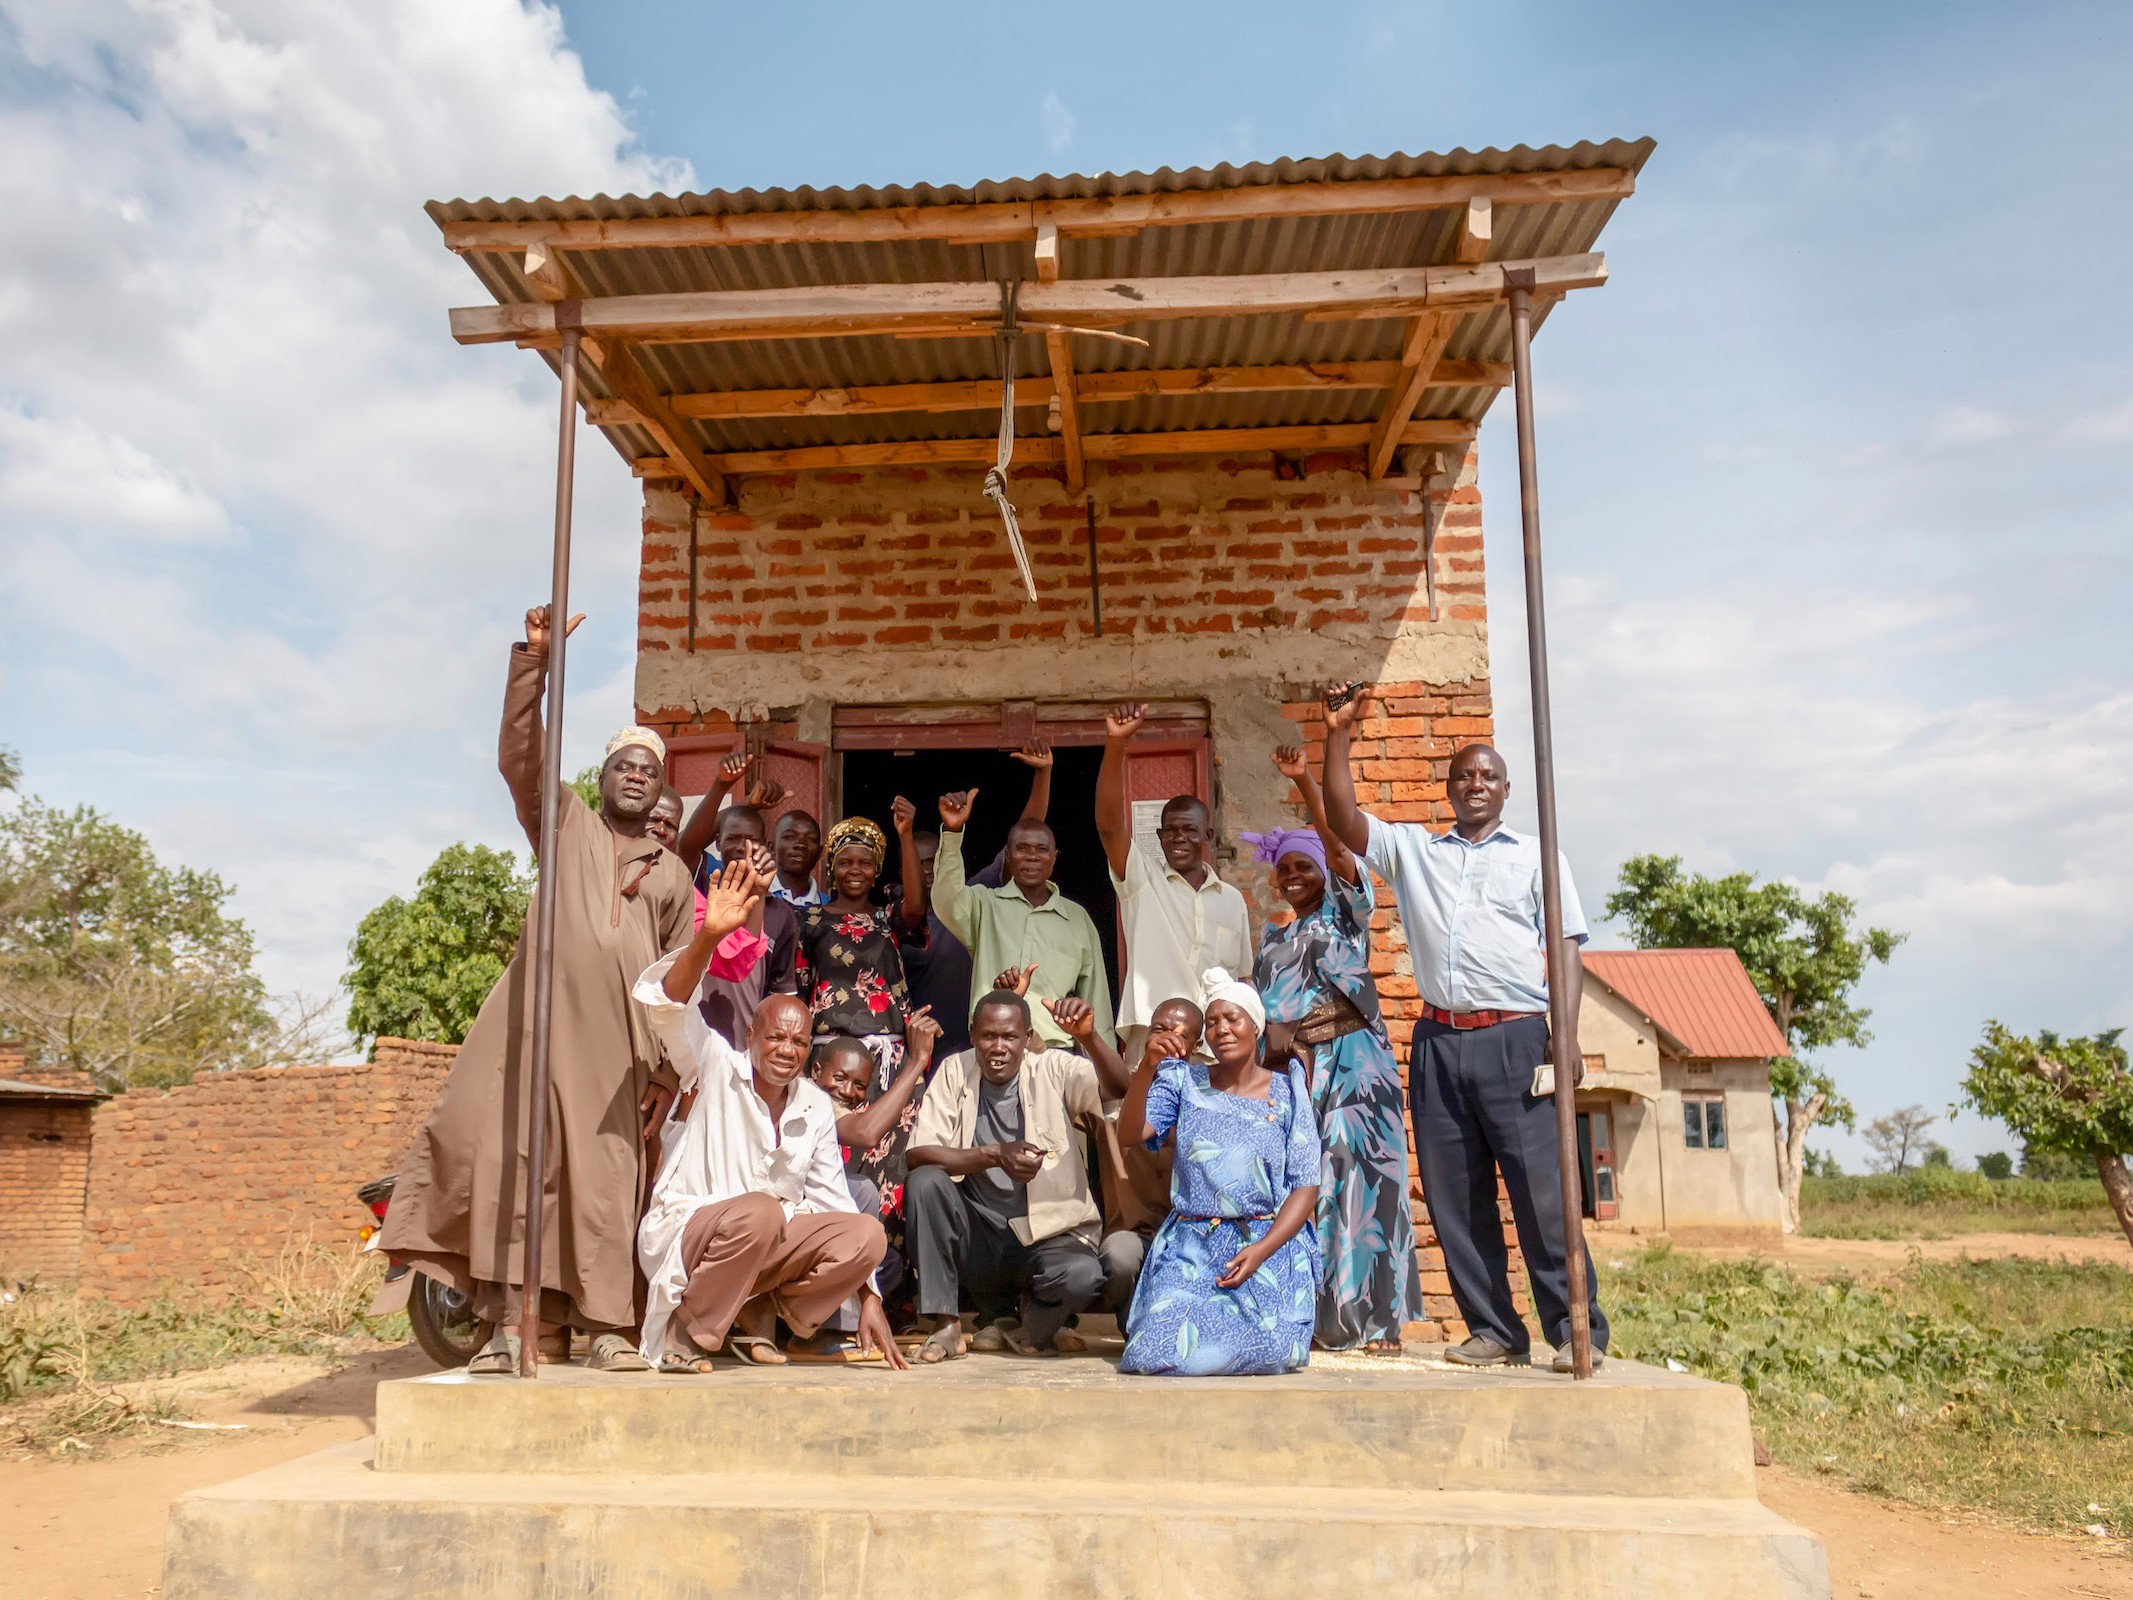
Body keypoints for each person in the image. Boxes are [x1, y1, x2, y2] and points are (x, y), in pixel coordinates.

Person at [380, 604, 694, 1376]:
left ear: (660, 790)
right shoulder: (564, 825)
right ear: (602, 778)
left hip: (620, 1057)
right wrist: (535, 664)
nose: (635, 776)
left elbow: (680, 983)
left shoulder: (677, 877)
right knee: (520, 1172)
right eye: (623, 764)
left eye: (648, 771)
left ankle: (605, 1330)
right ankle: (508, 1330)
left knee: (606, 1186)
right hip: (536, 1036)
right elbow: (521, 754)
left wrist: (663, 1072)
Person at [1318, 683, 1608, 1372]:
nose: (1475, 784)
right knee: (1455, 1193)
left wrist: (1561, 1035)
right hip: (1439, 1042)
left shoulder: (1537, 855)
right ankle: (1493, 1329)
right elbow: (1342, 818)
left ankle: (1574, 1328)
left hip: (1517, 1035)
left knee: (1542, 1190)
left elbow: (1565, 943)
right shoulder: (1416, 852)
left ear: (1504, 790)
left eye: (1487, 776)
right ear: (1448, 788)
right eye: (1463, 776)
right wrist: (1337, 733)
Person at [631, 859, 907, 1373]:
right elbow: (669, 1006)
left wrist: (870, 1297)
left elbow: (833, 1199)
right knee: (761, 1209)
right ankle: (687, 1328)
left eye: (799, 1040)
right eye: (776, 1036)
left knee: (865, 1233)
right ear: (751, 1037)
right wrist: (709, 938)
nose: (787, 1049)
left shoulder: (813, 1104)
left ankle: (761, 1308)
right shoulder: (715, 1065)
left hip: (760, 1248)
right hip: (696, 1235)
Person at [1252, 746, 1422, 1353]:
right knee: (1305, 1186)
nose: (1294, 876)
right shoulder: (1271, 943)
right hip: (1294, 1078)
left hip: (1353, 1072)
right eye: (1286, 869)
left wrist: (1304, 782)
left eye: (1306, 866)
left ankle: (1378, 1323)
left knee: (1363, 1184)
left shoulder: (1347, 914)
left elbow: (1343, 846)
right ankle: (1318, 1319)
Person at [904, 990, 1130, 1360]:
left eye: (1009, 1037)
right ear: (973, 1032)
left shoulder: (1053, 1067)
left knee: (1083, 1275)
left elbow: (1120, 1088)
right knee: (925, 1182)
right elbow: (918, 1154)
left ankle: (1029, 1324)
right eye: (988, 1036)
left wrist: (1088, 1037)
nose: (998, 1047)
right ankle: (947, 1326)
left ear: (1027, 1038)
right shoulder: (954, 1070)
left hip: (1048, 1237)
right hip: (979, 1237)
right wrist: (993, 1154)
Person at [1118, 968, 1322, 1376]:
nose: (1221, 1029)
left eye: (1232, 1019)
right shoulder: (1182, 1082)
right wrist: (1146, 1068)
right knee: (1152, 1353)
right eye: (1212, 1022)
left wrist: (1261, 1251)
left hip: (1266, 1248)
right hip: (1191, 1246)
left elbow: (1306, 1186)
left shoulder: (1286, 1091)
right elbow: (1130, 1133)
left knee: (1270, 1351)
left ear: (1256, 1027)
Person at [1095, 704, 1253, 1062]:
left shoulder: (1232, 900)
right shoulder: (1141, 881)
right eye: (1171, 830)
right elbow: (1108, 826)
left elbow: (1243, 980)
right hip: (1153, 1041)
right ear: (1159, 836)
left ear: (1208, 836)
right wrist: (1116, 743)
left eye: (1190, 830)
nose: (1179, 838)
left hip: (1215, 1048)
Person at [895, 740, 1055, 1059]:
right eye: (918, 862)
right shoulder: (894, 920)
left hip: (978, 1049)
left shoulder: (973, 903)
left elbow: (1022, 844)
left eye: (934, 862)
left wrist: (1043, 776)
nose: (928, 870)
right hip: (921, 1051)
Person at [931, 788, 1113, 1050]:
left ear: (1054, 857)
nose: (1031, 856)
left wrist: (1101, 1066)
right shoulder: (984, 904)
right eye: (1022, 848)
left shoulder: (1076, 919)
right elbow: (946, 900)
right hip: (994, 1048)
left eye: (1041, 849)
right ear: (1008, 855)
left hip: (1055, 1054)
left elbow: (1096, 1000)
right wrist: (951, 834)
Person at [690, 806, 801, 1049]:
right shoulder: (699, 891)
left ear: (767, 847)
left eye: (751, 840)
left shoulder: (782, 915)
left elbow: (779, 992)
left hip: (743, 1046)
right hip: (692, 1040)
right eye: (732, 838)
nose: (742, 847)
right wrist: (742, 798)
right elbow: (688, 844)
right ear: (717, 842)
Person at [771, 809, 829, 907]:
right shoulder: (754, 898)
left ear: (819, 853)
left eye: (810, 839)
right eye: (789, 837)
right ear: (772, 848)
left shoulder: (829, 907)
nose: (800, 845)